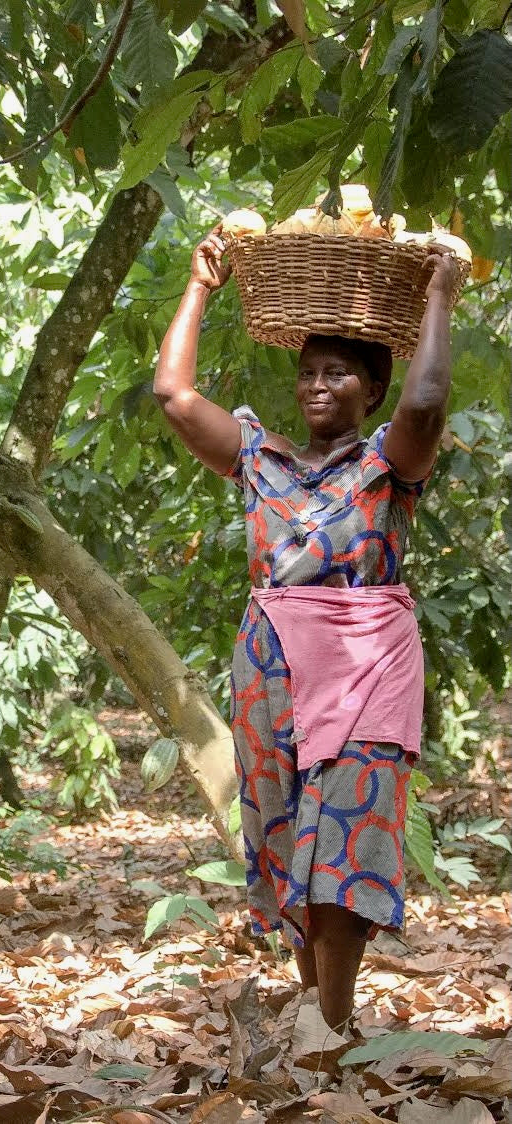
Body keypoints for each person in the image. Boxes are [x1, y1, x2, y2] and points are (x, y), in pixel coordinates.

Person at [153, 221, 460, 1034]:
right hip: (270, 662)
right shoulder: (261, 459)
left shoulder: (386, 469)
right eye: (307, 373)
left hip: (365, 662)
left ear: (368, 389)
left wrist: (438, 294)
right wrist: (200, 284)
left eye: (338, 374)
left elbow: (425, 400)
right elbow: (173, 397)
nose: (317, 385)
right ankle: (319, 1022)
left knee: (347, 841)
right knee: (287, 836)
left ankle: (331, 1030)